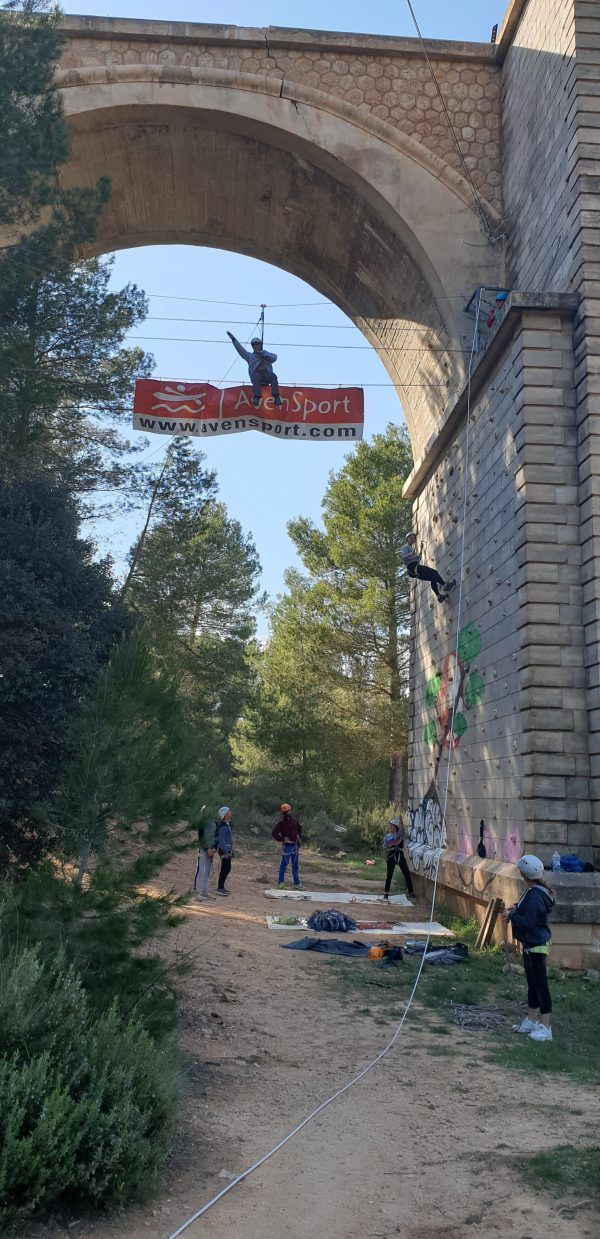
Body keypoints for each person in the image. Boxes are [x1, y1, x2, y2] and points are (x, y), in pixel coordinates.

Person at [503, 854, 554, 1042]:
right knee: (532, 985)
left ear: (524, 875)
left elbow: (529, 923)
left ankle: (546, 1027)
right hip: (530, 945)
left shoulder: (535, 895)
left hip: (537, 946)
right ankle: (532, 1020)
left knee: (541, 986)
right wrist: (515, 909)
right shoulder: (533, 891)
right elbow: (526, 910)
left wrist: (511, 916)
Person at [227, 331, 282, 407]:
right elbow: (241, 350)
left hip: (266, 375)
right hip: (257, 376)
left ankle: (276, 397)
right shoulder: (250, 356)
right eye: (254, 344)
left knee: (273, 376)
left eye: (257, 344)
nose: (256, 346)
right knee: (256, 376)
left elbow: (275, 357)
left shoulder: (266, 355)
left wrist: (263, 354)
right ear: (252, 346)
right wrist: (234, 339)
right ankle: (257, 397)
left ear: (260, 345)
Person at [401, 531, 456, 603]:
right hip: (413, 567)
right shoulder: (406, 547)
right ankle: (445, 585)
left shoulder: (411, 548)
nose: (412, 540)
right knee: (434, 572)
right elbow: (403, 558)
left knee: (432, 578)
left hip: (414, 570)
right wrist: (411, 554)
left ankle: (439, 596)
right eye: (411, 538)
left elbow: (418, 558)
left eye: (414, 539)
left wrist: (420, 549)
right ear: (407, 539)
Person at [382, 816, 415, 901]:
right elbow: (385, 847)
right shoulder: (387, 837)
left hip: (399, 855)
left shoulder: (399, 835)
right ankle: (386, 893)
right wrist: (385, 857)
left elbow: (402, 830)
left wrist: (401, 821)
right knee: (389, 874)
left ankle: (411, 892)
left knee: (406, 873)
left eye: (392, 826)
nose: (390, 827)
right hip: (391, 855)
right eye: (390, 825)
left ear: (396, 827)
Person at [272, 803, 302, 889]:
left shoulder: (295, 821)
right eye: (286, 812)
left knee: (295, 864)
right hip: (287, 846)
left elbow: (300, 829)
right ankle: (280, 882)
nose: (288, 813)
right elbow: (274, 833)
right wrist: (282, 839)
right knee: (284, 864)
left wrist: (298, 837)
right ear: (283, 813)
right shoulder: (281, 824)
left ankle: (296, 883)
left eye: (288, 811)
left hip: (295, 845)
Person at [194, 816, 217, 901]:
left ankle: (205, 892)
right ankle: (196, 893)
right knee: (200, 871)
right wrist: (207, 849)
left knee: (207, 871)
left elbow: (215, 836)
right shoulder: (202, 822)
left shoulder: (214, 821)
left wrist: (214, 848)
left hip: (211, 850)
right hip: (203, 850)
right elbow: (201, 838)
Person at [215, 805, 234, 897]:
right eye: (229, 811)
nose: (231, 812)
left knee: (227, 868)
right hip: (224, 851)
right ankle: (220, 888)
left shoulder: (226, 825)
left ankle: (221, 886)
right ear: (225, 815)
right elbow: (221, 840)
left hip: (227, 850)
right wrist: (226, 852)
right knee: (225, 868)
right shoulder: (223, 826)